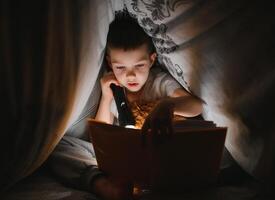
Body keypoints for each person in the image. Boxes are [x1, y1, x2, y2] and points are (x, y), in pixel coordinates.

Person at [47, 12, 203, 200]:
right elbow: (99, 136)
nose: (130, 76)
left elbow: (196, 106)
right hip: (122, 162)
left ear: (152, 60)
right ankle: (103, 185)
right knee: (58, 146)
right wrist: (106, 98)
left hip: (159, 155)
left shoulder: (159, 83)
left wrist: (167, 105)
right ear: (109, 63)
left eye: (139, 66)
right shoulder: (114, 90)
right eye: (121, 67)